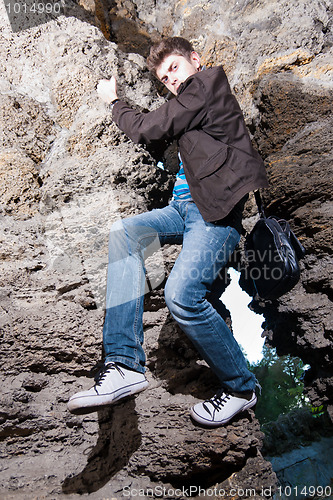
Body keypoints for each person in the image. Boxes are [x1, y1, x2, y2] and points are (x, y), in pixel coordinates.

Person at [67, 37, 269, 426]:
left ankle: (242, 387)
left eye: (174, 68)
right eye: (164, 79)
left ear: (195, 59)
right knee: (125, 232)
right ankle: (124, 364)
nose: (171, 81)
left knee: (182, 294)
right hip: (181, 210)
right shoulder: (192, 112)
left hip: (214, 219)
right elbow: (160, 136)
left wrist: (113, 101)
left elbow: (148, 128)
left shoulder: (209, 84)